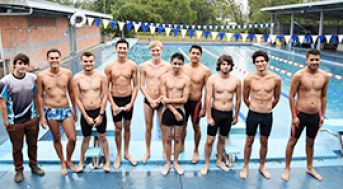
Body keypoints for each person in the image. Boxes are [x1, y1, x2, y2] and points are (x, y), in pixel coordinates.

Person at [281, 49, 329, 181]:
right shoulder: (299, 75)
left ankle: (309, 167)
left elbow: (324, 96)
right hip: (300, 114)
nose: (314, 62)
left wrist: (322, 115)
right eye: (312, 59)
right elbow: (291, 96)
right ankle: (287, 168)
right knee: (292, 141)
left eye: (317, 59)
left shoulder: (325, 76)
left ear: (320, 60)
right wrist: (293, 116)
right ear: (306, 60)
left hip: (315, 116)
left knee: (311, 142)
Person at [0, 53, 45, 183]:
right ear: (14, 65)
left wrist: (39, 116)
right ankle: (19, 170)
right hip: (15, 122)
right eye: (20, 63)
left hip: (31, 119)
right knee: (17, 147)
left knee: (33, 145)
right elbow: (2, 102)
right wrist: (6, 120)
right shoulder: (5, 81)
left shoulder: (33, 78)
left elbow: (37, 97)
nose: (22, 66)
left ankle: (34, 165)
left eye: (25, 63)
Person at [240, 50, 281, 179]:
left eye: (262, 61)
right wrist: (254, 107)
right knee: (249, 141)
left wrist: (267, 107)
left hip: (267, 115)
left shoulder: (276, 79)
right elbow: (245, 98)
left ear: (267, 62)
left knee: (264, 141)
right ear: (254, 64)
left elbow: (277, 98)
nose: (260, 64)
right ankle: (245, 166)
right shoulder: (248, 78)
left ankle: (262, 166)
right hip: (253, 114)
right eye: (257, 62)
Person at [37, 49, 77, 175]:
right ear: (48, 59)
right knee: (56, 138)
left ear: (60, 58)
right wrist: (42, 116)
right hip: (51, 110)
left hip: (65, 109)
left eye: (56, 58)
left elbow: (71, 92)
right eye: (51, 58)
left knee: (72, 138)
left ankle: (69, 159)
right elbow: (39, 96)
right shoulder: (41, 76)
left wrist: (74, 109)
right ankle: (62, 162)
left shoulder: (67, 73)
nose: (54, 60)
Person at [200, 55, 241, 175]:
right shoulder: (212, 79)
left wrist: (236, 115)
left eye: (228, 64)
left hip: (228, 114)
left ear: (231, 66)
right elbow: (208, 98)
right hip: (215, 112)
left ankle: (219, 161)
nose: (225, 66)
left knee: (222, 139)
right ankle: (206, 163)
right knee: (209, 140)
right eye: (223, 64)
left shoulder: (236, 81)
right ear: (219, 65)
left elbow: (238, 100)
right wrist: (209, 117)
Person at [73, 52, 110, 172]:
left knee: (102, 137)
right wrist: (85, 116)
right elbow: (78, 99)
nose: (88, 64)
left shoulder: (101, 76)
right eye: (85, 61)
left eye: (90, 61)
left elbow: (105, 96)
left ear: (94, 61)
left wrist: (101, 114)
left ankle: (108, 163)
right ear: (81, 62)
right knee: (85, 138)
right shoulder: (77, 78)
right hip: (86, 112)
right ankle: (81, 162)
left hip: (99, 110)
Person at [104, 38, 138, 169]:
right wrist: (112, 104)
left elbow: (135, 86)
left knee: (127, 127)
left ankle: (126, 152)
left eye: (124, 48)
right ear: (116, 49)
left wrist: (132, 102)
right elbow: (106, 88)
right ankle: (118, 154)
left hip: (128, 99)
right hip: (115, 99)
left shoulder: (133, 65)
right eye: (120, 48)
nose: (122, 50)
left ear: (128, 49)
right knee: (118, 129)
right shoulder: (109, 67)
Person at [140, 41, 170, 163]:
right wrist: (150, 100)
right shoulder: (144, 66)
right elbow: (141, 85)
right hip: (148, 100)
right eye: (153, 50)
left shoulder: (167, 66)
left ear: (161, 51)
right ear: (150, 51)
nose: (156, 52)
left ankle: (164, 149)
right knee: (148, 127)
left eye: (157, 50)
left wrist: (159, 99)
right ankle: (147, 151)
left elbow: (168, 84)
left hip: (161, 100)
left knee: (163, 127)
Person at [160, 52, 190, 175]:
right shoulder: (164, 77)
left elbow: (184, 99)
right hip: (168, 111)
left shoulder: (186, 79)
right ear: (171, 63)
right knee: (167, 138)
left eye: (179, 64)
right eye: (175, 63)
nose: (177, 66)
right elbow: (163, 97)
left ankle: (176, 162)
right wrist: (174, 111)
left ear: (183, 65)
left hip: (180, 109)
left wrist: (169, 102)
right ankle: (168, 162)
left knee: (177, 138)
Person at [182, 45, 211, 164]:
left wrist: (204, 108)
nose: (195, 55)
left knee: (196, 127)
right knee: (182, 127)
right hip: (183, 102)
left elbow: (208, 91)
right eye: (193, 53)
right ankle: (181, 146)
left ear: (201, 56)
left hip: (196, 103)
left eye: (197, 53)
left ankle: (195, 150)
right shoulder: (182, 68)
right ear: (189, 54)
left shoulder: (205, 71)